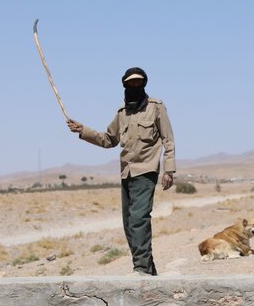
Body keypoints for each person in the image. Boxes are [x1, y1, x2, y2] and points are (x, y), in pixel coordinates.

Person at [67, 67, 175, 276]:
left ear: (144, 84)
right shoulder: (121, 113)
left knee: (138, 219)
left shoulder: (156, 107)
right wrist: (83, 130)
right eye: (131, 83)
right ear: (125, 85)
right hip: (126, 173)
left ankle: (141, 268)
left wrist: (169, 169)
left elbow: (168, 139)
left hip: (146, 171)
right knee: (129, 224)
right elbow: (108, 140)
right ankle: (149, 271)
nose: (135, 86)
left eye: (139, 82)